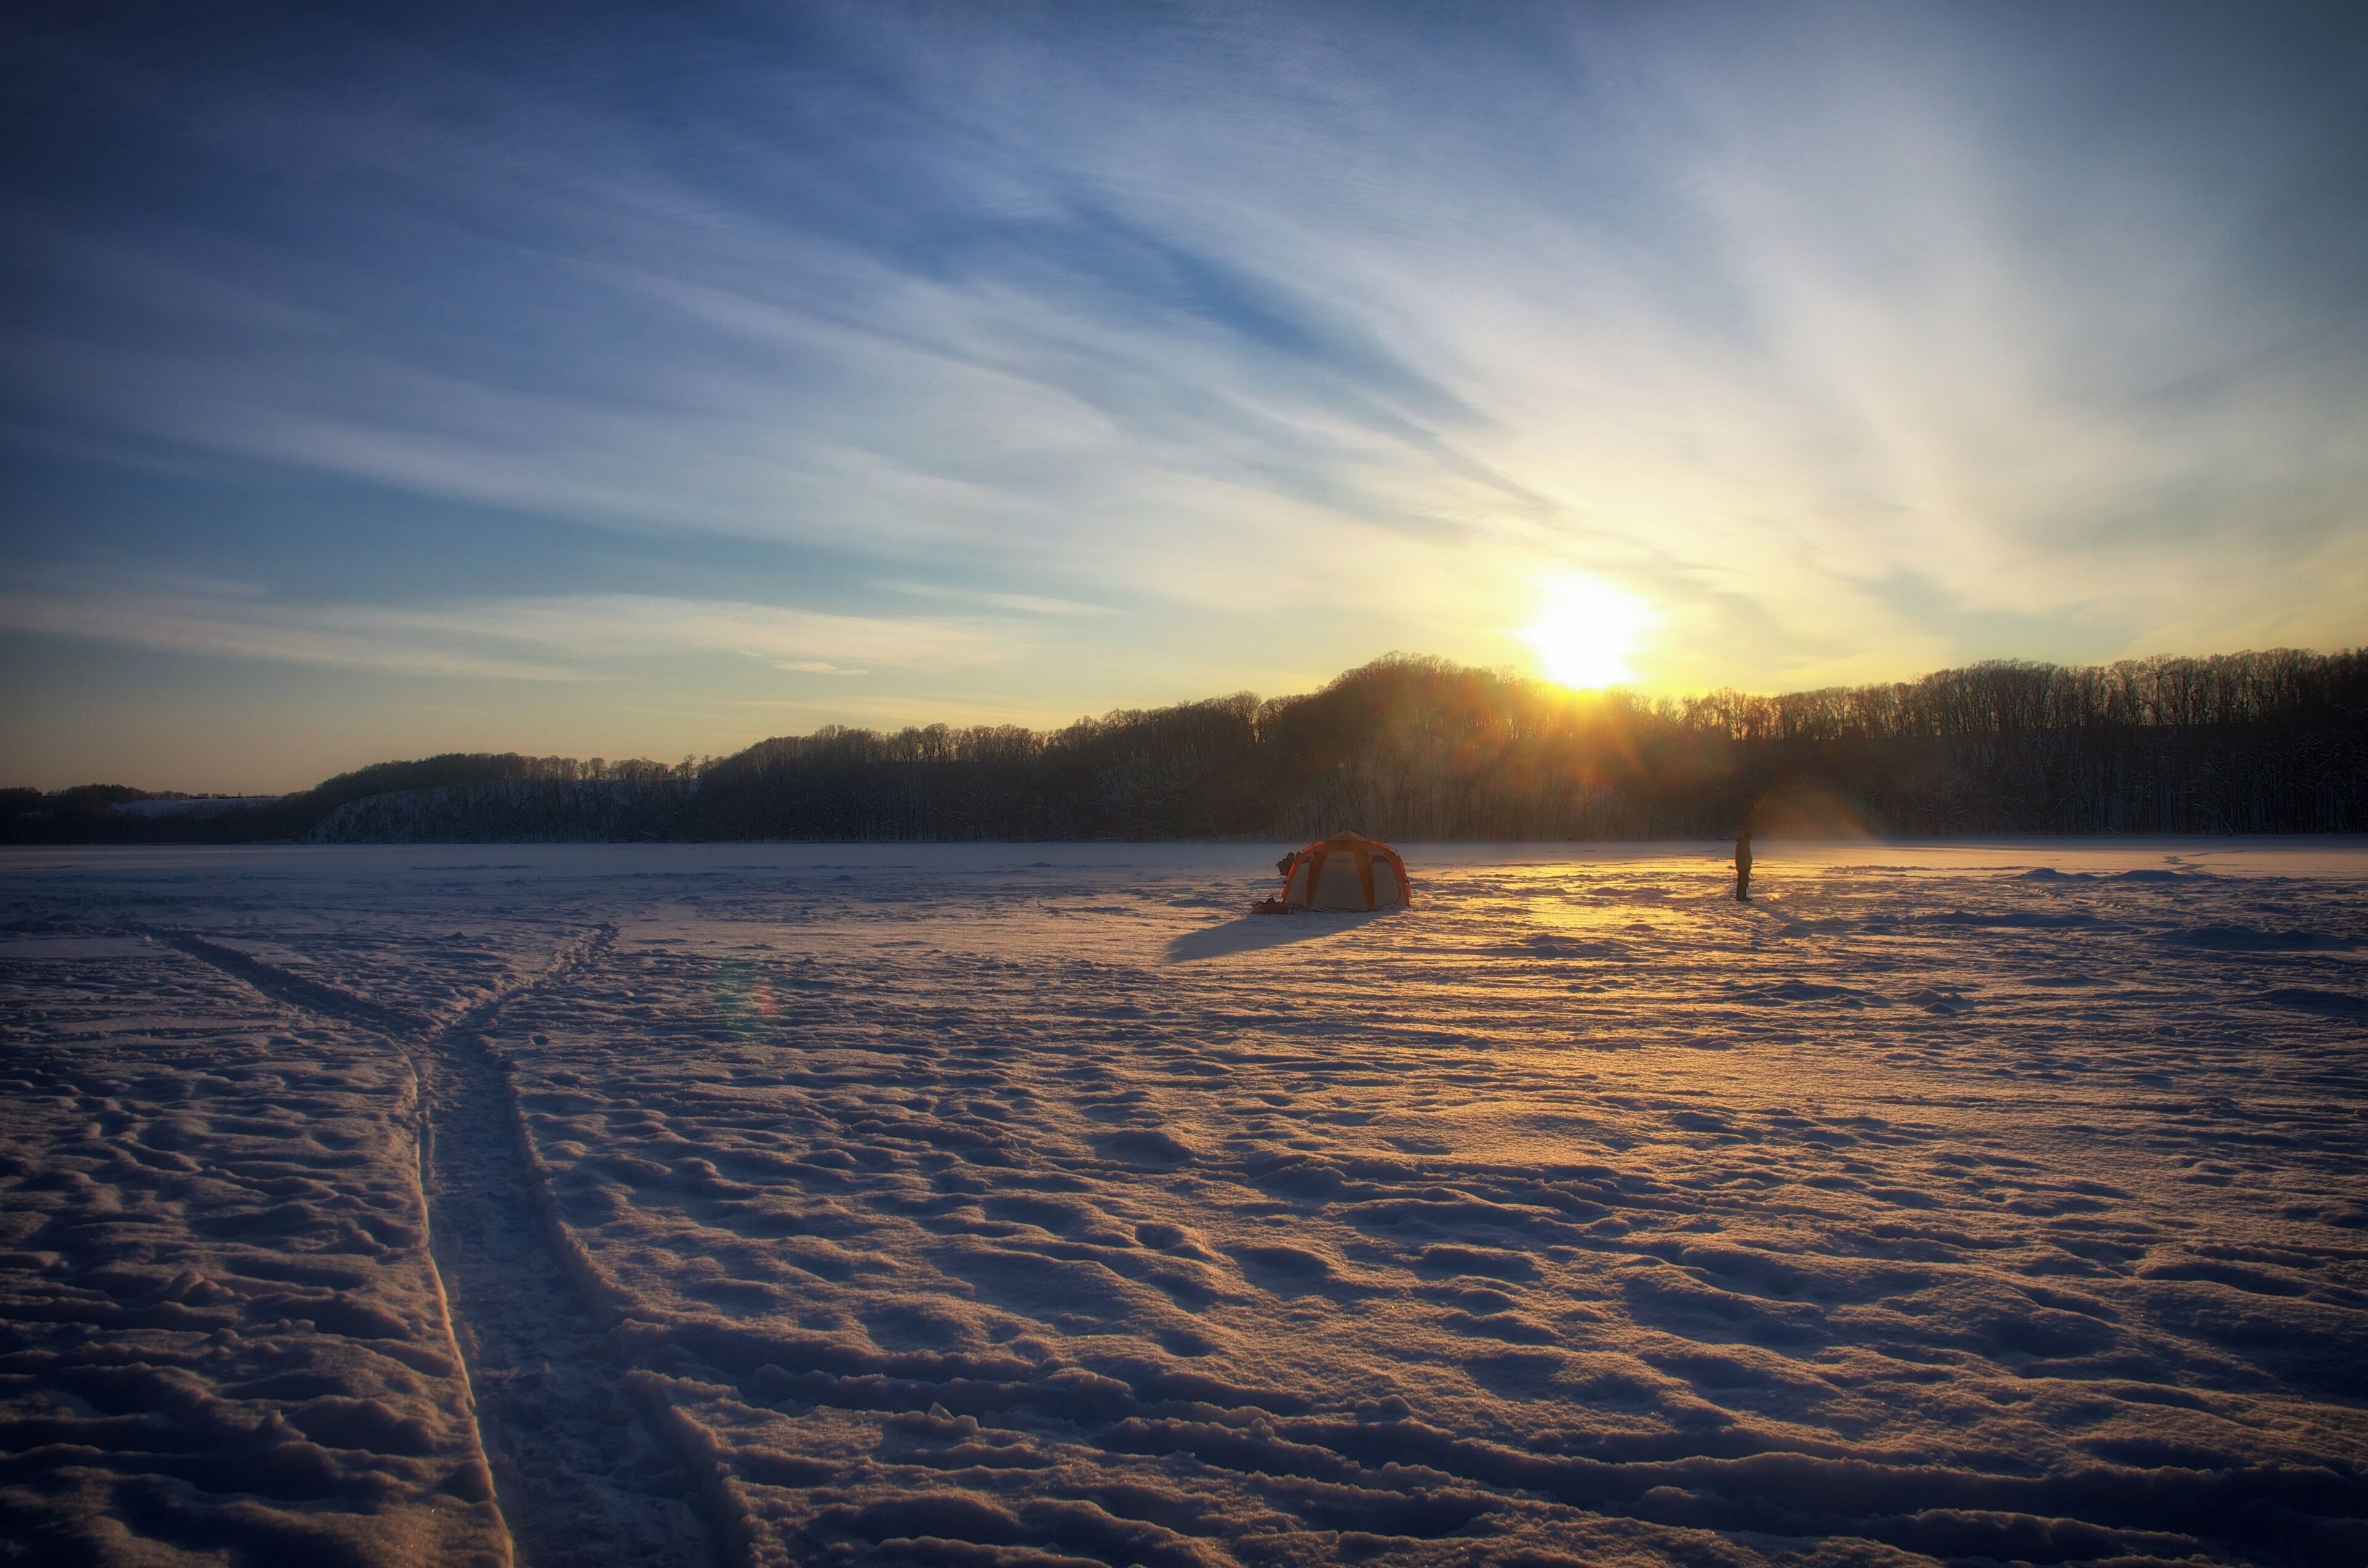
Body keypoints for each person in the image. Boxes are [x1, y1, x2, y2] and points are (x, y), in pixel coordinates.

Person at [1734, 829, 1753, 901]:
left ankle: (1743, 896)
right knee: (1742, 882)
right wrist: (1746, 866)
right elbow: (1743, 857)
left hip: (1744, 866)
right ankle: (1740, 897)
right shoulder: (1743, 844)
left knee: (1744, 882)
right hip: (1743, 867)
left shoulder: (1744, 843)